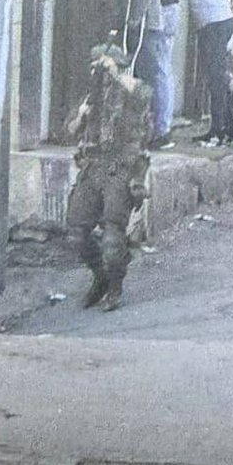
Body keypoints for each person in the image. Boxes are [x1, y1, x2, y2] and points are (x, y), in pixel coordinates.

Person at [65, 44, 151, 312]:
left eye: (102, 67)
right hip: (92, 169)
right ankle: (100, 277)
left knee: (113, 240)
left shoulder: (134, 89)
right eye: (94, 67)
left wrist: (116, 75)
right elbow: (68, 132)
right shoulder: (91, 98)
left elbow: (143, 98)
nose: (98, 73)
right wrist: (81, 115)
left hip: (120, 170)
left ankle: (115, 285)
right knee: (77, 232)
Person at [174, 0, 233, 146]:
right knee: (218, 79)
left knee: (216, 79)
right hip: (218, 22)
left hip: (213, 24)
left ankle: (218, 131)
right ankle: (230, 129)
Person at [117, 0, 169, 146]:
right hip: (155, 22)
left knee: (152, 76)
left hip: (146, 25)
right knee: (153, 76)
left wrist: (135, 18)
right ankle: (152, 127)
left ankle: (158, 129)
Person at [147, 0, 188, 151]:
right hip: (170, 12)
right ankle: (161, 126)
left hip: (163, 14)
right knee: (162, 70)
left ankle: (162, 130)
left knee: (161, 71)